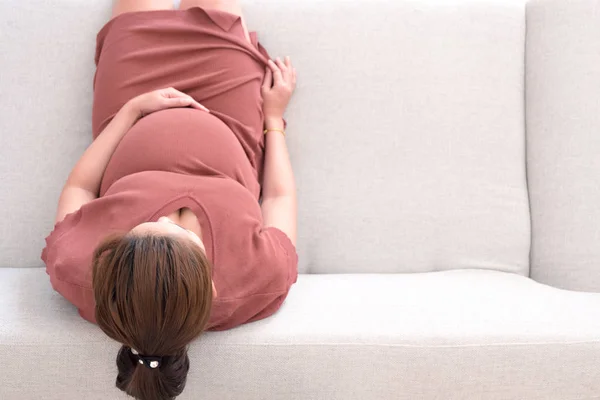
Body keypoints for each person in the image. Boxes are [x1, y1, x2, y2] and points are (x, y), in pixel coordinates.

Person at [41, 1, 298, 399]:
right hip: (228, 108)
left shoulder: (81, 270)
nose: (168, 218)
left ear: (110, 262)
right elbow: (278, 197)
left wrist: (131, 111)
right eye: (180, 231)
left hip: (134, 94)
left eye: (148, 225)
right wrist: (274, 118)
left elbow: (80, 190)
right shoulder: (258, 276)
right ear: (210, 285)